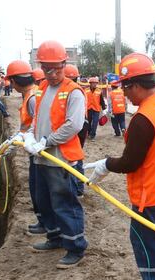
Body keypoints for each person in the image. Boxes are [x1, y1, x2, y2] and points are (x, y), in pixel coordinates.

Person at [84, 53, 155, 280]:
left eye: (125, 87)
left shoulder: (144, 119)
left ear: (135, 85)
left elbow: (131, 162)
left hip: (152, 190)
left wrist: (106, 164)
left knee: (147, 238)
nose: (125, 93)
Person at [22, 40, 88, 269]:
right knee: (45, 201)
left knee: (65, 203)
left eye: (55, 68)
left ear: (63, 64)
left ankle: (75, 247)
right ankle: (55, 237)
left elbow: (74, 125)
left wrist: (47, 141)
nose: (51, 73)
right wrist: (30, 136)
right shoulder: (42, 89)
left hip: (61, 160)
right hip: (42, 158)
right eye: (46, 68)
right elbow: (37, 119)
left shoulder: (74, 92)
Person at [5, 59, 46, 235]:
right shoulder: (31, 95)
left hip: (38, 149)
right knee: (36, 187)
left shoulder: (32, 98)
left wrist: (23, 137)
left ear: (14, 81)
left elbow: (38, 124)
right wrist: (17, 137)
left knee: (39, 189)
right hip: (33, 147)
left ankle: (45, 223)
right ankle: (43, 221)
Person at [64, 63, 87, 197]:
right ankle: (79, 188)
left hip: (77, 126)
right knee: (76, 156)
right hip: (82, 125)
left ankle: (78, 188)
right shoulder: (77, 90)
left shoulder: (73, 92)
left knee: (75, 157)